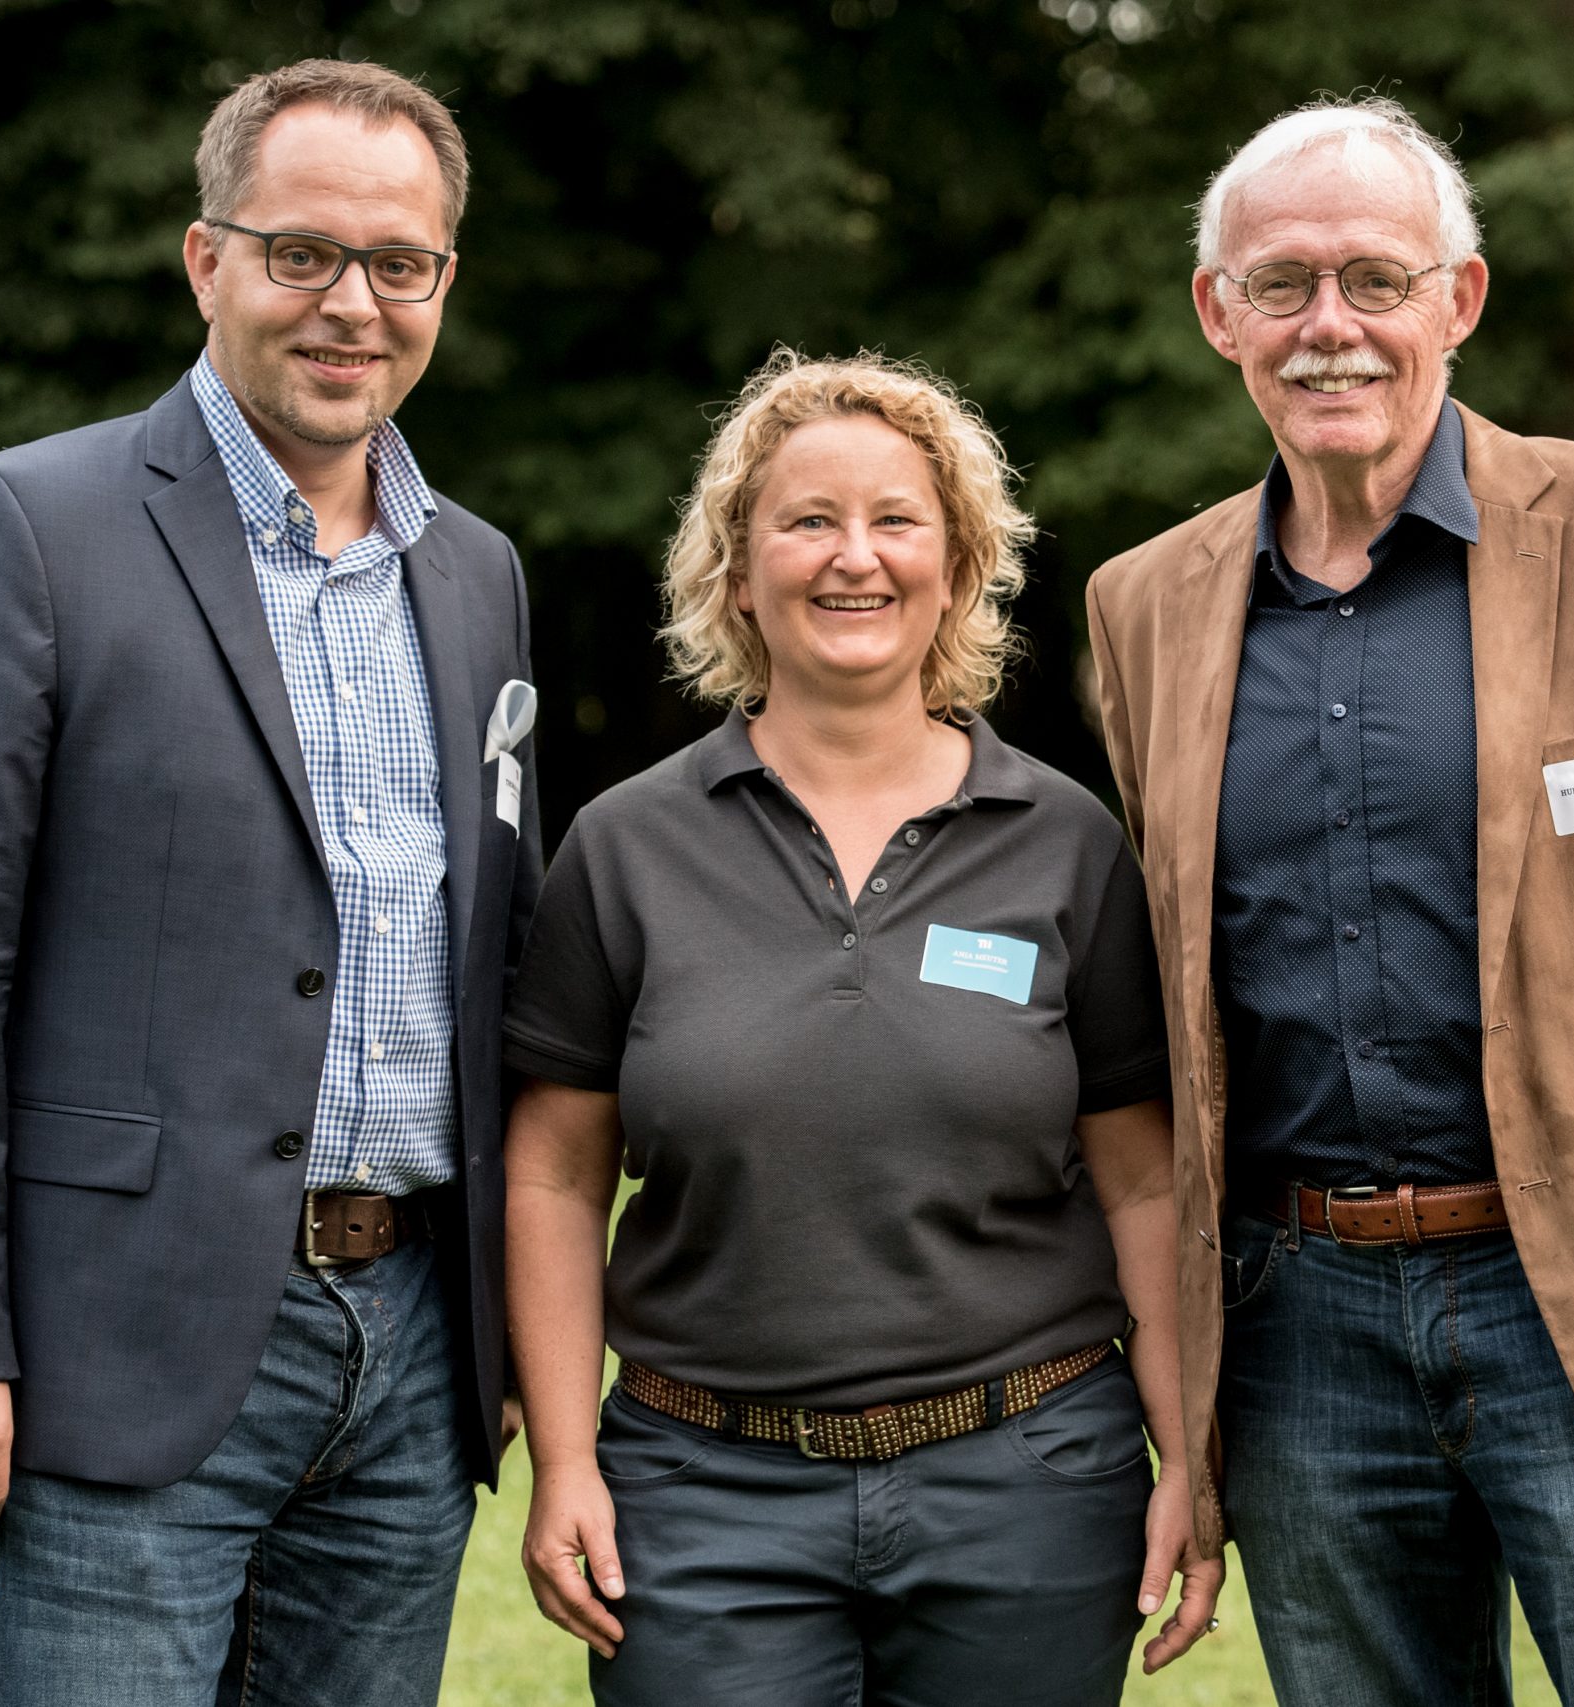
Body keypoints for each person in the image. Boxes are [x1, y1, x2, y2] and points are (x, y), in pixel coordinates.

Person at [1084, 97, 1574, 1706]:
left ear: (1461, 300)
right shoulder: (1144, 605)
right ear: (1219, 313)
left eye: (1377, 278)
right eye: (1283, 283)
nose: (1332, 325)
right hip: (1302, 1327)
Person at [0, 59, 539, 1706]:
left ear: (443, 282)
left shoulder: (476, 572)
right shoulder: (25, 526)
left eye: (399, 262)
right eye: (303, 253)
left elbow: (496, 950)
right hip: (119, 1341)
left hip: (418, 1345)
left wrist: (506, 1323)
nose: (352, 304)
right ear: (207, 258)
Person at [501, 349, 1224, 1706]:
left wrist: (1187, 1454)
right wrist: (566, 1461)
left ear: (956, 568)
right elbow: (552, 1174)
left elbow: (1144, 1181)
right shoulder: (625, 846)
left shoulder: (1065, 842)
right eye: (808, 522)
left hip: (1027, 1484)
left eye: (897, 521)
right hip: (701, 1497)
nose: (855, 557)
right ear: (737, 571)